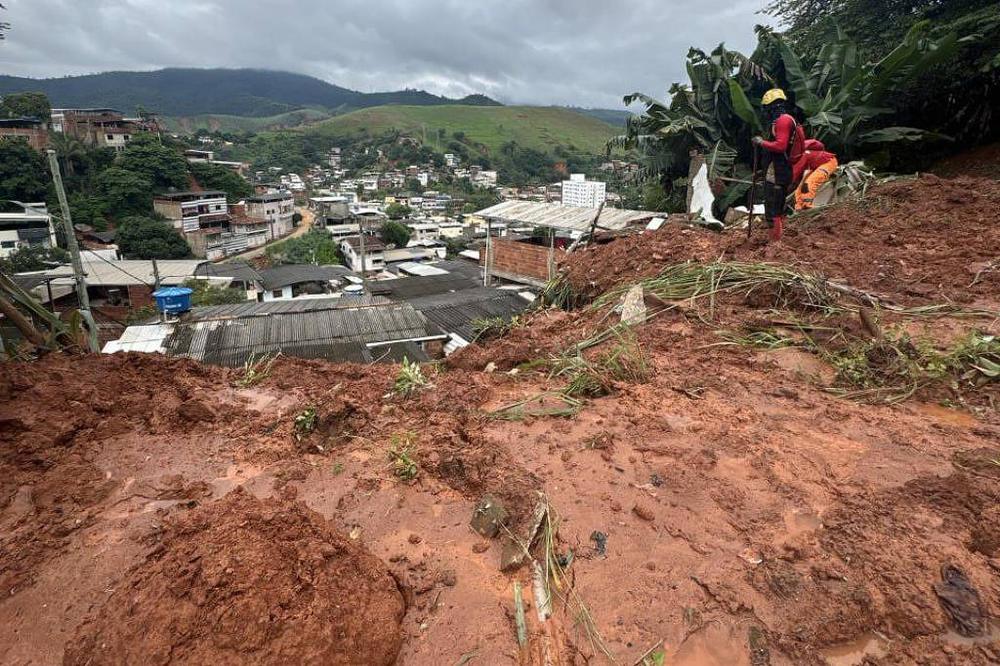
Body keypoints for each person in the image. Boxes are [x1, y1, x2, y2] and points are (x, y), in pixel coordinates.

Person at [752, 88, 805, 242]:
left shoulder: (782, 121)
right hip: (780, 170)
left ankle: (775, 244)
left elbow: (781, 146)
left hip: (777, 172)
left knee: (772, 210)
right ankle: (777, 241)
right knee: (777, 207)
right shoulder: (786, 120)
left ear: (771, 107)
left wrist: (761, 142)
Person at [795, 139, 838, 211]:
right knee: (799, 187)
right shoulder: (799, 153)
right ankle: (800, 206)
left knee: (809, 183)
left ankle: (808, 206)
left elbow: (795, 171)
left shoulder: (803, 153)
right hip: (815, 166)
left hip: (828, 162)